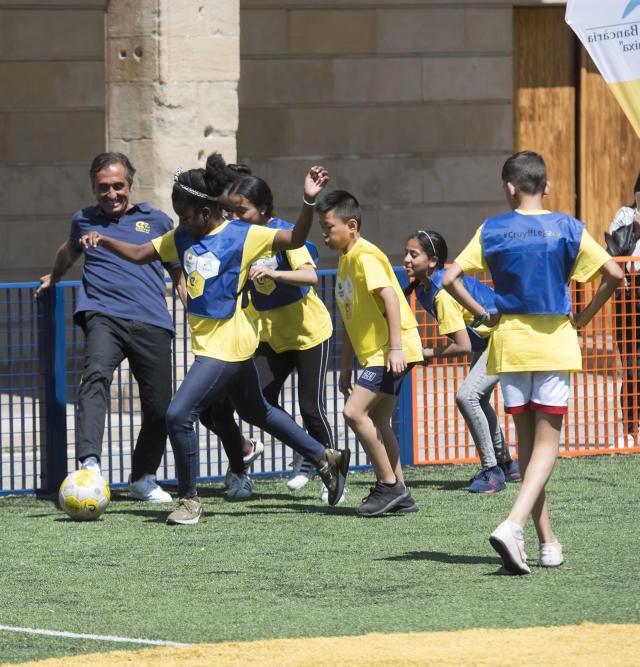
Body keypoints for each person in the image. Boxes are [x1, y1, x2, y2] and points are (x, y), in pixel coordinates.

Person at [80, 155, 351, 525]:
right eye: (178, 216)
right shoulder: (182, 237)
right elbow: (144, 253)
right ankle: (325, 458)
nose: (181, 222)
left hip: (230, 342)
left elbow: (297, 238)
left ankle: (190, 502)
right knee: (258, 412)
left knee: (179, 415)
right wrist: (106, 240)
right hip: (212, 343)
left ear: (206, 212)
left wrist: (307, 200)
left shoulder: (243, 235)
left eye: (187, 215)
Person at [443, 150, 622, 574]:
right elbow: (613, 273)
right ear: (547, 185)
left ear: (509, 187)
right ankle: (514, 524)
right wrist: (585, 316)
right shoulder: (567, 226)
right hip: (555, 341)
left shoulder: (492, 229)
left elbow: (450, 278)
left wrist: (483, 313)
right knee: (547, 447)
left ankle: (547, 543)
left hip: (509, 344)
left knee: (527, 449)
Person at [35, 152, 182, 502]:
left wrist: (184, 290)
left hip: (151, 319)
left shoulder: (157, 220)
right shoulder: (84, 220)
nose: (111, 194)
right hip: (103, 314)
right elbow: (68, 252)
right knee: (96, 375)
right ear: (93, 188)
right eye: (103, 187)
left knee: (161, 405)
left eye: (118, 186)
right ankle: (89, 465)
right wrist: (54, 277)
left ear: (130, 185)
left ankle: (143, 477)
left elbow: (175, 264)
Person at [202, 173, 338, 501]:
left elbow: (310, 277)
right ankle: (308, 451)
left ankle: (332, 468)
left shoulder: (285, 233)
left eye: (242, 210)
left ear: (264, 209)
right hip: (269, 337)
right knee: (256, 403)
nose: (235, 217)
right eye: (230, 211)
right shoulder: (237, 239)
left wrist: (275, 272)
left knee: (311, 408)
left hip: (308, 334)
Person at [318, 190, 424, 517]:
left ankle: (387, 485)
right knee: (378, 419)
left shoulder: (365, 256)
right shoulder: (345, 261)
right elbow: (351, 320)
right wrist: (346, 369)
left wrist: (394, 349)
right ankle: (401, 494)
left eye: (328, 227)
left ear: (351, 225)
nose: (324, 234)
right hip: (376, 354)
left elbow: (392, 299)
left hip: (390, 351)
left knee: (353, 413)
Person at [402, 229, 519, 494]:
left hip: (504, 336)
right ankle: (506, 465)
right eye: (406, 253)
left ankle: (492, 472)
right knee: (478, 398)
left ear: (433, 261)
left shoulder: (441, 292)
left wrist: (423, 355)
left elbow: (462, 346)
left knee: (467, 397)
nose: (406, 259)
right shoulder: (422, 287)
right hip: (490, 338)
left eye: (413, 254)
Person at [605, 171, 640, 448]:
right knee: (631, 368)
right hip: (629, 299)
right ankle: (630, 427)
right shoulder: (625, 216)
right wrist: (636, 228)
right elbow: (614, 252)